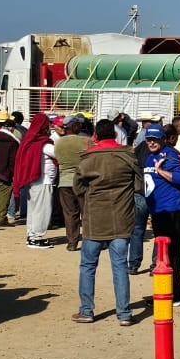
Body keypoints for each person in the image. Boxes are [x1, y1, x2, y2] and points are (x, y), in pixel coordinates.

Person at [73, 119, 142, 327]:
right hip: (122, 217)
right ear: (114, 134)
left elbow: (77, 188)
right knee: (120, 266)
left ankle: (86, 311)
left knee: (87, 265)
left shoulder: (88, 158)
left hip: (95, 218)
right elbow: (138, 184)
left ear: (95, 135)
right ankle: (124, 313)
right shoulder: (127, 155)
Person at [140, 125, 180, 298]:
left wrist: (161, 171)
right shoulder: (149, 156)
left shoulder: (170, 155)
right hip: (159, 212)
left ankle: (173, 292)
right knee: (163, 254)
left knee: (172, 253)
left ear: (162, 139)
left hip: (173, 211)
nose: (151, 142)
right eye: (149, 139)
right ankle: (167, 291)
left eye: (155, 139)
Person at [12, 113, 57, 249]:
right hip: (43, 180)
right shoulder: (43, 144)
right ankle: (36, 238)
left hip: (33, 180)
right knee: (42, 210)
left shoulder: (30, 140)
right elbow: (59, 153)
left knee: (34, 210)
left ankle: (32, 235)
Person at [55, 116, 90, 250]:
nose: (81, 127)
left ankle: (72, 242)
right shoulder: (86, 141)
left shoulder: (58, 143)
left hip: (64, 182)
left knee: (70, 214)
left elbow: (58, 160)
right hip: (82, 182)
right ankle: (88, 240)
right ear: (74, 126)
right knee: (86, 213)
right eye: (79, 125)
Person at [0, 111, 21, 227]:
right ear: (11, 128)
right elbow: (13, 160)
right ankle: (1, 219)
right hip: (5, 172)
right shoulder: (13, 142)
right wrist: (13, 173)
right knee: (4, 197)